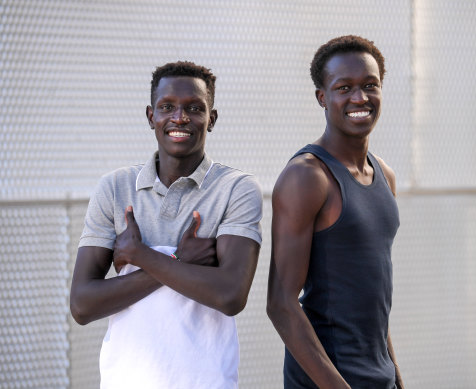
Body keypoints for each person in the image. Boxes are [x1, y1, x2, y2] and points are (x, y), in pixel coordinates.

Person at [70, 61, 262, 389]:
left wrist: (140, 255)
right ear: (150, 117)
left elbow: (230, 295)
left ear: (212, 119)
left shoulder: (236, 188)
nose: (180, 117)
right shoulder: (115, 188)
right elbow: (83, 304)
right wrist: (179, 262)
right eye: (167, 107)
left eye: (194, 108)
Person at [267, 35, 404, 388]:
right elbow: (281, 305)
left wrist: (396, 378)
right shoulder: (307, 176)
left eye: (370, 85)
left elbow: (371, 301)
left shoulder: (384, 175)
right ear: (322, 97)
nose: (359, 98)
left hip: (378, 377)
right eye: (344, 87)